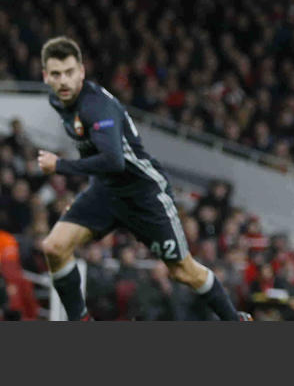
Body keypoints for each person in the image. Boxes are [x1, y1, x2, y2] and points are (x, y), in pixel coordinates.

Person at [35, 36, 251, 321]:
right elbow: (95, 153)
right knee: (54, 247)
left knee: (183, 271)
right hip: (106, 191)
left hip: (143, 193)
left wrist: (60, 165)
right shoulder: (58, 100)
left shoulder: (96, 106)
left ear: (82, 72)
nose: (63, 81)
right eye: (56, 74)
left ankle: (234, 319)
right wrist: (84, 198)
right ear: (45, 76)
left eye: (69, 72)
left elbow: (114, 161)